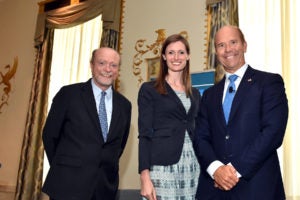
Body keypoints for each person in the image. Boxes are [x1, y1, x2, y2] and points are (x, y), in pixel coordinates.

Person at [194, 25, 288, 200]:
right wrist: (216, 170)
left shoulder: (269, 83)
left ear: (244, 45)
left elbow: (273, 132)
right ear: (216, 51)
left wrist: (233, 171)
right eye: (221, 45)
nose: (228, 49)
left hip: (258, 188)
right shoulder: (208, 95)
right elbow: (200, 137)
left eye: (233, 42)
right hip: (214, 190)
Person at [42, 47, 132, 200]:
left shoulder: (125, 105)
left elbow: (118, 146)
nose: (107, 69)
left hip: (104, 189)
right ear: (92, 65)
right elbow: (50, 136)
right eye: (102, 63)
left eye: (113, 65)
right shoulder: (69, 94)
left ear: (118, 70)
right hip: (67, 185)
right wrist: (64, 166)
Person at [138, 34, 201, 200]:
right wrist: (144, 176)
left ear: (188, 56)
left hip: (193, 166)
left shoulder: (194, 93)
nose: (176, 57)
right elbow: (144, 134)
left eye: (181, 52)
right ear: (164, 57)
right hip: (162, 167)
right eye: (171, 52)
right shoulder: (149, 89)